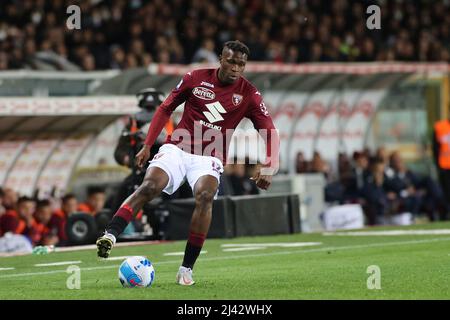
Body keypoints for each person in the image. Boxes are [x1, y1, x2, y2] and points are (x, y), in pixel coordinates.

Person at [96, 40, 279, 285]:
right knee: (149, 186)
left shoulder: (250, 94)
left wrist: (270, 164)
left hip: (209, 157)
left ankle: (186, 268)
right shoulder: (195, 78)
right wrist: (148, 144)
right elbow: (165, 108)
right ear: (221, 59)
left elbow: (269, 130)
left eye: (241, 64)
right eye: (231, 61)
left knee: (204, 196)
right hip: (177, 148)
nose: (236, 68)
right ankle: (110, 234)